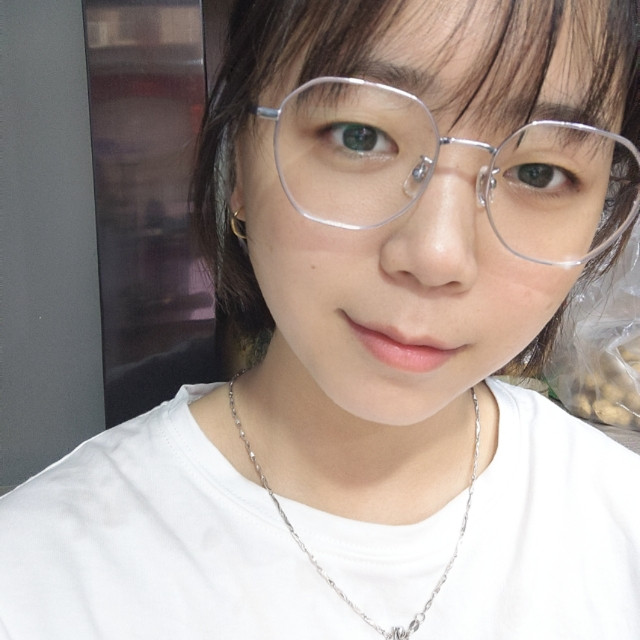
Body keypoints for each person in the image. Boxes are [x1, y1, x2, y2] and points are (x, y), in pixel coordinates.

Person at [1, 0, 639, 638]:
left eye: (539, 173)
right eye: (360, 135)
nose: (437, 255)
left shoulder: (618, 519)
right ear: (238, 160)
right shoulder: (38, 579)